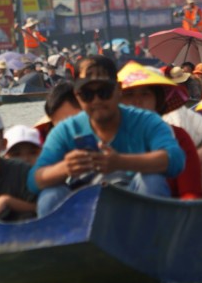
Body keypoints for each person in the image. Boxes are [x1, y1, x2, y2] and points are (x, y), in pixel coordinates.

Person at [28, 55, 185, 216]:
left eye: (104, 92)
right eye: (87, 94)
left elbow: (175, 159)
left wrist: (121, 162)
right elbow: (34, 179)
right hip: (83, 210)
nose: (96, 100)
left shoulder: (146, 121)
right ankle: (65, 242)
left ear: (118, 90)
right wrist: (65, 168)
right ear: (77, 95)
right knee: (50, 195)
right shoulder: (66, 130)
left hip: (134, 206)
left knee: (153, 181)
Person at [118, 62, 202, 199]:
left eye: (145, 94)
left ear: (157, 100)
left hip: (165, 216)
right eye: (129, 94)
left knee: (151, 179)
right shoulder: (104, 138)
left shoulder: (177, 137)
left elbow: (190, 194)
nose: (137, 101)